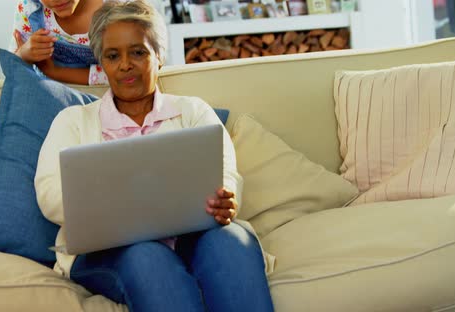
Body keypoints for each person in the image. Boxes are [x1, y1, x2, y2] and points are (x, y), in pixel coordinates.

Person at [34, 0, 275, 311]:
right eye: (112, 55)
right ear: (101, 62)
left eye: (138, 52)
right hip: (107, 249)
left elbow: (225, 172)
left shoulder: (193, 111)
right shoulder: (73, 121)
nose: (125, 65)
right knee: (148, 256)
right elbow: (49, 195)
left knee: (231, 241)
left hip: (194, 235)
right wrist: (120, 198)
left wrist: (226, 198)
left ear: (159, 55)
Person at [10, 0, 108, 85]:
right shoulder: (30, 8)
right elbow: (11, 69)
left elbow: (120, 74)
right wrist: (23, 55)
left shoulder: (118, 7)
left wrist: (55, 72)